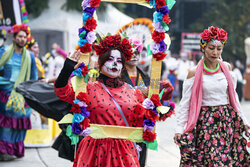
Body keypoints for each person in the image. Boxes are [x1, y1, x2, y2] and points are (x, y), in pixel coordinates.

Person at [54, 34, 144, 166]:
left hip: (124, 153)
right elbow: (62, 92)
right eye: (110, 59)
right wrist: (66, 69)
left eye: (119, 61)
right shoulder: (87, 89)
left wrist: (161, 107)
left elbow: (143, 120)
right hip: (94, 152)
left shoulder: (133, 93)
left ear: (123, 66)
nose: (114, 63)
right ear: (100, 63)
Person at [174, 26, 250, 166]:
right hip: (204, 124)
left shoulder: (227, 69)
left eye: (219, 49)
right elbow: (185, 104)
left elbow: (234, 98)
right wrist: (179, 128)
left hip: (226, 122)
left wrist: (244, 121)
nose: (215, 52)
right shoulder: (193, 73)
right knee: (210, 160)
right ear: (203, 48)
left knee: (226, 160)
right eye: (211, 48)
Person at [0, 24, 38, 160]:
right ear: (14, 38)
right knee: (7, 123)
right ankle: (4, 151)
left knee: (20, 123)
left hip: (22, 94)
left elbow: (33, 79)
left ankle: (14, 150)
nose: (23, 39)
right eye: (20, 37)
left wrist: (32, 98)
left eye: (24, 37)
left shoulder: (30, 57)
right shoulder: (4, 52)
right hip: (6, 93)